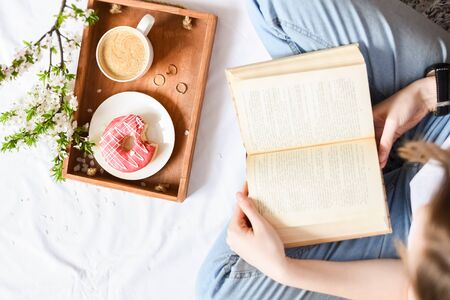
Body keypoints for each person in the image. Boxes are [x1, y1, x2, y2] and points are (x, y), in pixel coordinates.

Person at [196, 0, 450, 299]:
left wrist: (286, 269)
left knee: (220, 289)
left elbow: (409, 287)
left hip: (401, 214)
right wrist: (428, 93)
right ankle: (347, 106)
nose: (424, 216)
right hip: (441, 118)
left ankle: (345, 110)